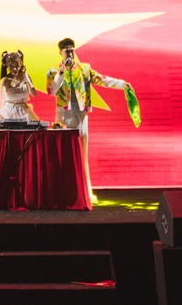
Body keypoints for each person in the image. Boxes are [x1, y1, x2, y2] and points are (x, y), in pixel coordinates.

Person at [46, 37, 140, 203]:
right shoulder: (53, 72)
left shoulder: (84, 69)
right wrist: (61, 72)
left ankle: (84, 191)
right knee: (64, 150)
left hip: (81, 113)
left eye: (72, 49)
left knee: (82, 152)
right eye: (67, 50)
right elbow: (51, 90)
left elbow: (102, 80)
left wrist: (122, 84)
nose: (70, 53)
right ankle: (62, 191)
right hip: (63, 114)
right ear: (60, 52)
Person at [0, 50, 39, 124]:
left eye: (17, 66)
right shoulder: (5, 80)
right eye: (12, 67)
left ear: (20, 64)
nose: (15, 69)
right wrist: (0, 115)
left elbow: (34, 94)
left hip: (24, 110)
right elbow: (1, 100)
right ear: (8, 66)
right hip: (8, 111)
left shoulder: (26, 78)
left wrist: (27, 78)